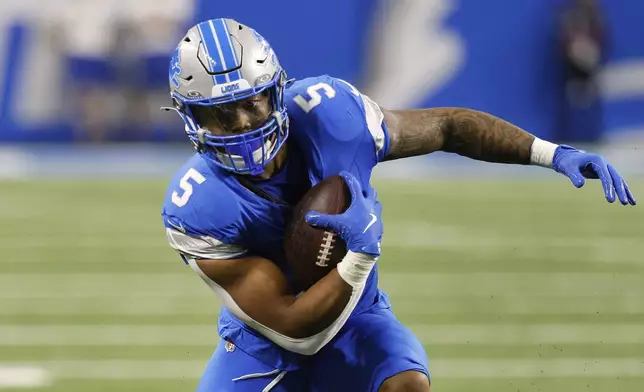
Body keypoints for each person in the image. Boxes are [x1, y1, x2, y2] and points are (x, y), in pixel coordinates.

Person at [161, 18, 635, 392]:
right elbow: (294, 330)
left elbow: (448, 127)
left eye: (253, 103)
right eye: (221, 113)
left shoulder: (332, 114)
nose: (243, 123)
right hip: (263, 346)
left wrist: (550, 153)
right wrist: (360, 257)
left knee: (407, 384)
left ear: (278, 91)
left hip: (358, 320)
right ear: (189, 116)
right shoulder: (199, 206)